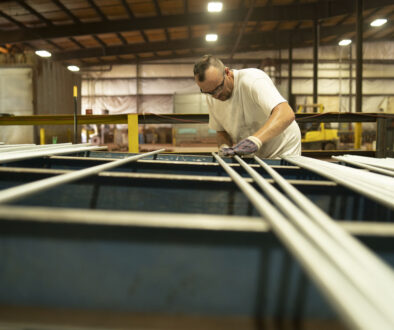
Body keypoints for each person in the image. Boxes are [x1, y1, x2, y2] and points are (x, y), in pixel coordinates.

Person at [193, 55, 301, 158]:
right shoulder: (212, 96)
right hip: (256, 154)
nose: (216, 95)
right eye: (209, 92)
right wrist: (224, 147)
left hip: (283, 150)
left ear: (227, 72)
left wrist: (255, 140)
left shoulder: (253, 80)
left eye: (218, 88)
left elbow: (286, 114)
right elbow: (221, 131)